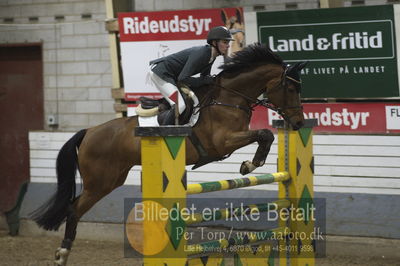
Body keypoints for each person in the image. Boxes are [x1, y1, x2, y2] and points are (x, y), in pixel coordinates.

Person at [147, 26, 233, 125]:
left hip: (172, 76)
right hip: (161, 74)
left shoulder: (211, 56)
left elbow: (204, 76)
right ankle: (163, 133)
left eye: (228, 43)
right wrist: (205, 80)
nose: (228, 46)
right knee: (180, 105)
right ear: (214, 43)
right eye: (225, 42)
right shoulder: (203, 53)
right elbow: (183, 79)